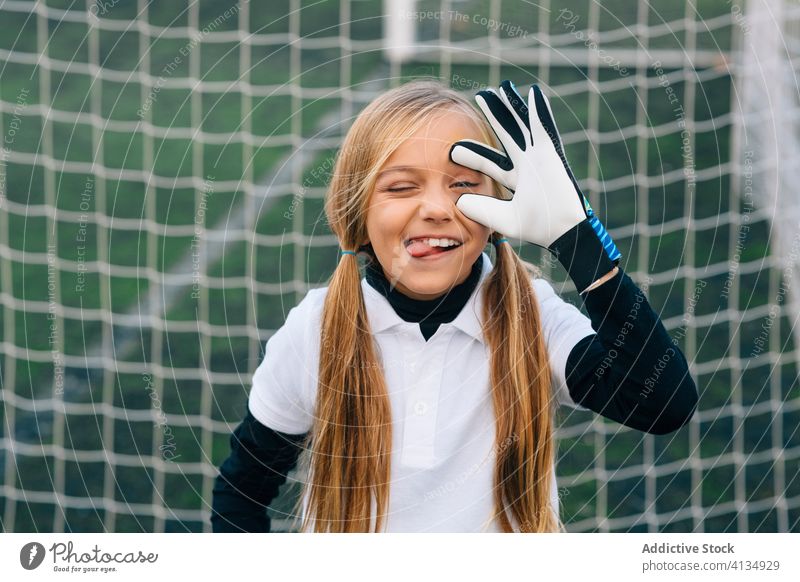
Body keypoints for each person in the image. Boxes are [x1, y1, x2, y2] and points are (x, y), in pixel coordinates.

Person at [211, 79, 698, 533]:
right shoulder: (317, 328)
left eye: (464, 184)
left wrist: (577, 239)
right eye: (401, 186)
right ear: (357, 213)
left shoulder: (533, 314)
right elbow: (241, 491)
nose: (438, 208)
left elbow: (662, 403)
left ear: (501, 213)